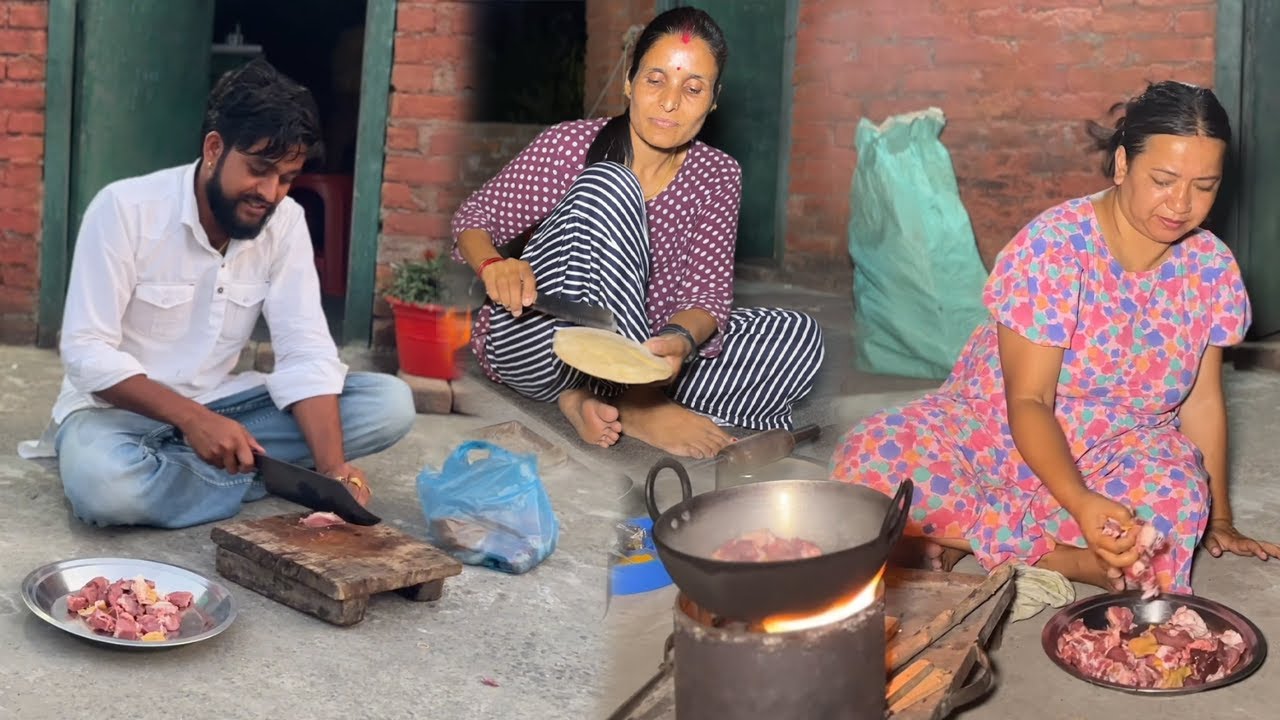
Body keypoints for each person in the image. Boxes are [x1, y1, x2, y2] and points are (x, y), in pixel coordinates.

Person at [830, 80, 1279, 595]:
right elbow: (1029, 398)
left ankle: (965, 538)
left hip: (1121, 446)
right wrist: (1081, 504)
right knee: (870, 459)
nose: (1181, 204)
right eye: (1163, 179)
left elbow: (1202, 402)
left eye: (1204, 186)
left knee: (1172, 505)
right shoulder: (1055, 246)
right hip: (998, 430)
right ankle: (1064, 558)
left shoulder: (1210, 266)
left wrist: (1220, 519)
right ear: (1121, 166)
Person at [26, 59, 415, 529]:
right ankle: (255, 480)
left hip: (228, 410)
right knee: (106, 488)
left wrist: (333, 473)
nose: (271, 193)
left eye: (287, 177)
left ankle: (206, 475)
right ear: (214, 148)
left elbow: (306, 348)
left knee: (389, 404)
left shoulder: (285, 222)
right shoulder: (125, 209)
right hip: (116, 416)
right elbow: (85, 351)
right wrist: (191, 420)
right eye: (258, 170)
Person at [450, 7, 825, 459]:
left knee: (799, 338)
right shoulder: (571, 145)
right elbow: (474, 218)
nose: (670, 102)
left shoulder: (718, 174)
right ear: (630, 81)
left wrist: (679, 343)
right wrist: (494, 266)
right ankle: (638, 404)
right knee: (613, 183)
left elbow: (707, 299)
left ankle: (589, 397)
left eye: (692, 88)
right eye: (655, 80)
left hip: (641, 342)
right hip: (540, 335)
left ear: (713, 99)